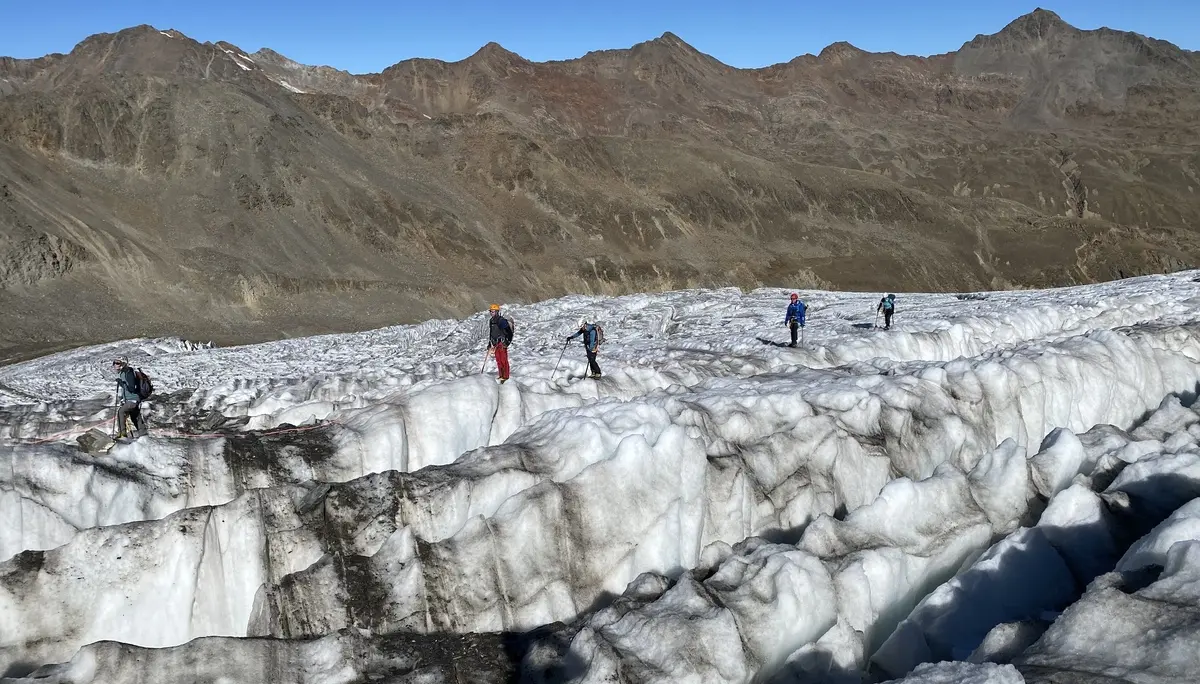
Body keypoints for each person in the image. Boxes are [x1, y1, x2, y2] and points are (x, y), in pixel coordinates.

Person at [111, 359, 148, 439]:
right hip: (133, 399)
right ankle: (143, 435)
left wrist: (121, 383)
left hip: (132, 399)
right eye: (114, 363)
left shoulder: (128, 372)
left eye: (117, 363)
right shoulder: (124, 372)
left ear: (123, 363)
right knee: (135, 416)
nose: (115, 365)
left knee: (121, 412)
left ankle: (122, 434)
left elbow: (131, 388)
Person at [487, 304, 514, 383]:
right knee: (498, 360)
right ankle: (501, 375)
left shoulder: (501, 320)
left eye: (493, 311)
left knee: (503, 360)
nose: (491, 313)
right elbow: (491, 333)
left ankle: (505, 376)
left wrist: (507, 342)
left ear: (497, 312)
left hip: (502, 343)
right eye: (491, 312)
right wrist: (489, 343)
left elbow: (508, 332)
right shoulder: (491, 321)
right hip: (495, 343)